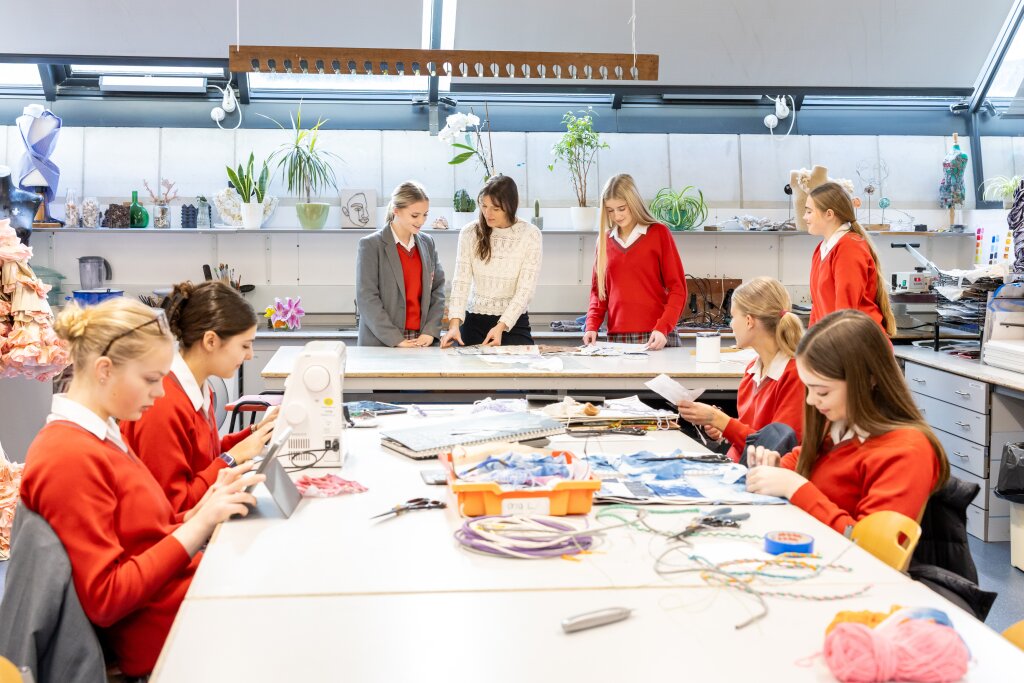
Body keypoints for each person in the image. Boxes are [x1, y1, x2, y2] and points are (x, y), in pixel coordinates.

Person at [19, 298, 263, 678]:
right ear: (104, 370)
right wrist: (199, 524)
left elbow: (147, 533)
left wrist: (201, 509)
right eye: (151, 380)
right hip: (166, 635)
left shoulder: (102, 435)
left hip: (181, 605)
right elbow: (107, 598)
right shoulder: (68, 456)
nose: (161, 392)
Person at [745, 309, 949, 534]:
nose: (811, 400)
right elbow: (797, 463)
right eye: (808, 388)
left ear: (869, 379)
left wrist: (795, 487)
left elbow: (871, 546)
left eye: (822, 391)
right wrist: (772, 471)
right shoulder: (837, 425)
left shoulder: (907, 451)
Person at [121, 281, 275, 512]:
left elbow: (205, 457)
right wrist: (233, 458)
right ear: (210, 341)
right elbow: (175, 507)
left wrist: (256, 432)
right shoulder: (162, 403)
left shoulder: (199, 388)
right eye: (245, 346)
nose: (250, 355)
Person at [677, 277, 805, 462]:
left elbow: (776, 449)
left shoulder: (795, 375)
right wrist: (724, 429)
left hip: (760, 472)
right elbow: (753, 432)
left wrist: (719, 420)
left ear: (749, 321)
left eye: (733, 316)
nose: (731, 324)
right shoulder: (753, 369)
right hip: (738, 464)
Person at [582, 174, 686, 350]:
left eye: (621, 208)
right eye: (610, 210)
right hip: (616, 339)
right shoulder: (604, 241)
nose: (616, 216)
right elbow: (598, 293)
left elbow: (678, 289)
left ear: (634, 203)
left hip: (656, 336)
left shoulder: (659, 233)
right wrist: (591, 325)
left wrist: (663, 327)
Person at [441, 175, 542, 347]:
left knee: (522, 363)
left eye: (495, 208)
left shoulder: (530, 235)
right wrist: (454, 324)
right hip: (473, 321)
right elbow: (461, 282)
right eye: (484, 206)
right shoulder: (469, 233)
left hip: (512, 324)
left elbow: (525, 291)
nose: (487, 213)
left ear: (510, 207)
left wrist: (501, 326)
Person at [356, 181, 445, 347]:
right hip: (382, 342)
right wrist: (397, 340)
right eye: (415, 215)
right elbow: (367, 298)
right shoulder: (371, 245)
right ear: (396, 210)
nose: (421, 221)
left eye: (425, 214)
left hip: (421, 340)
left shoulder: (428, 243)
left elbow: (438, 290)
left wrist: (430, 331)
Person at [804, 181, 896, 335]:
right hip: (834, 340)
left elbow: (845, 312)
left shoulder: (849, 247)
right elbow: (817, 309)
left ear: (829, 214)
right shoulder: (821, 250)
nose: (804, 217)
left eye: (809, 211)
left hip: (858, 341)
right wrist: (811, 342)